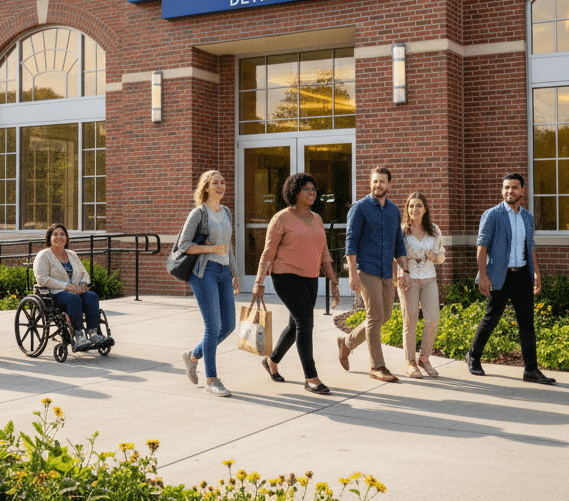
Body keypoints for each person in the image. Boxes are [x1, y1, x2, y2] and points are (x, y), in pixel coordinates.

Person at [252, 172, 341, 395]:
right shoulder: (282, 218)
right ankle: (311, 378)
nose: (312, 193)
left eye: (314, 189)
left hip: (311, 277)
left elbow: (324, 253)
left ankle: (272, 361)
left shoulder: (317, 218)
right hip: (286, 276)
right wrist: (258, 283)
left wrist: (333, 279)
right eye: (306, 189)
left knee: (295, 326)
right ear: (294, 192)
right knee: (305, 323)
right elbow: (268, 253)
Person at [464, 173, 556, 385]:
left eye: (514, 187)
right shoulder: (492, 215)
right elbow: (482, 247)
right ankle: (473, 356)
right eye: (506, 187)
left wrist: (536, 273)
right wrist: (483, 276)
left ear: (523, 191)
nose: (510, 191)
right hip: (499, 276)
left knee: (527, 323)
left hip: (522, 275)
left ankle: (531, 370)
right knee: (492, 318)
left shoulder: (527, 217)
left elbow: (530, 246)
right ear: (502, 190)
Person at [338, 166, 410, 382]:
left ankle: (348, 343)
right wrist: (353, 273)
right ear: (370, 183)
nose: (378, 185)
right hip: (366, 268)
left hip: (386, 270)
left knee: (384, 316)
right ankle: (377, 367)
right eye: (374, 181)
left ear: (389, 184)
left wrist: (404, 270)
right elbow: (350, 241)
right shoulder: (359, 208)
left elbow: (398, 243)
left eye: (382, 182)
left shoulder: (394, 211)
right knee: (374, 316)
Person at [176, 170, 238, 397]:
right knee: (212, 326)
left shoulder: (227, 212)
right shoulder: (198, 213)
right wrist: (211, 248)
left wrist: (235, 272)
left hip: (223, 272)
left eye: (223, 182)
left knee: (229, 325)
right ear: (205, 187)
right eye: (215, 183)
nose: (221, 186)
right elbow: (184, 245)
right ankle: (211, 379)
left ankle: (193, 356)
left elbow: (228, 246)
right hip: (204, 272)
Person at [33, 223, 103, 351]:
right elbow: (42, 278)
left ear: (66, 238)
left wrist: (83, 284)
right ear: (49, 238)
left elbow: (84, 274)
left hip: (76, 291)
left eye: (62, 234)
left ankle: (93, 333)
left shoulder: (71, 254)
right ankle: (79, 335)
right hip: (54, 294)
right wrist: (67, 286)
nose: (59, 237)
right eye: (55, 234)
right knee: (73, 299)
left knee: (92, 296)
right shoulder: (43, 255)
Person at [398, 192, 445, 379]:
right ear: (407, 209)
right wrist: (401, 274)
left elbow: (441, 254)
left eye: (418, 206)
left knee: (433, 319)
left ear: (425, 209)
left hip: (429, 278)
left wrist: (435, 257)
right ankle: (410, 363)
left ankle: (424, 358)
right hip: (408, 279)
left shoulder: (433, 230)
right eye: (411, 206)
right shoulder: (402, 231)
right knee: (410, 322)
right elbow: (396, 256)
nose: (414, 210)